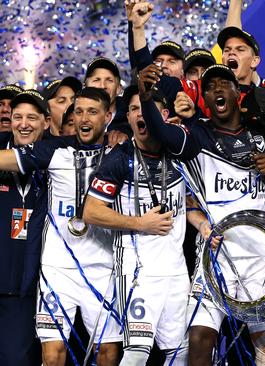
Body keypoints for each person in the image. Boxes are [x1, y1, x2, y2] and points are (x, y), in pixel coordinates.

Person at [138, 62, 265, 365]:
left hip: (261, 256)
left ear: (236, 93)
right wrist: (146, 95)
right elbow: (161, 131)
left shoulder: (262, 134)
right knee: (201, 338)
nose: (216, 89)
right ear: (203, 98)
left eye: (223, 84)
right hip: (216, 252)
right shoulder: (198, 136)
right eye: (209, 86)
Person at [0, 87, 122, 366]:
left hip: (104, 266)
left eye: (92, 111)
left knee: (108, 352)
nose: (83, 118)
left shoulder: (120, 153)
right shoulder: (54, 148)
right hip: (57, 269)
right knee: (53, 354)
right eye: (78, 111)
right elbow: (6, 159)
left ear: (108, 116)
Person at [83, 85, 195, 365]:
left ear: (164, 116)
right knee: (136, 353)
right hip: (138, 273)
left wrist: (204, 225)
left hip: (177, 272)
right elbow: (90, 211)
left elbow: (189, 205)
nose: (140, 114)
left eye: (147, 109)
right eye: (134, 109)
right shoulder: (119, 158)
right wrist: (140, 224)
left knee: (180, 351)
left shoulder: (180, 156)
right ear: (129, 118)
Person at [0, 89, 51, 366]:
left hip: (25, 288)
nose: (24, 124)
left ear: (46, 122)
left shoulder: (57, 162)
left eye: (32, 117)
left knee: (15, 359)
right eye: (17, 117)